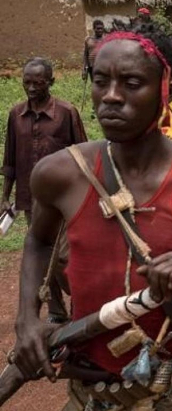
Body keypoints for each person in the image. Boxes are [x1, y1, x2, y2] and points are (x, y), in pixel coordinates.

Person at [12, 25, 172, 410]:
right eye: (101, 81)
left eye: (132, 83)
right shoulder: (60, 173)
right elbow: (38, 239)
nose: (111, 96)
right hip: (89, 393)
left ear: (168, 89)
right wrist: (27, 319)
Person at [3, 57, 87, 324]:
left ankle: (84, 300)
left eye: (37, 83)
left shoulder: (67, 112)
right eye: (26, 82)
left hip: (64, 199)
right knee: (41, 255)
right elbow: (10, 159)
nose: (31, 88)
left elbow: (83, 153)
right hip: (31, 200)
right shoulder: (16, 115)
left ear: (50, 82)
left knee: (63, 256)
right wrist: (5, 196)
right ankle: (56, 312)